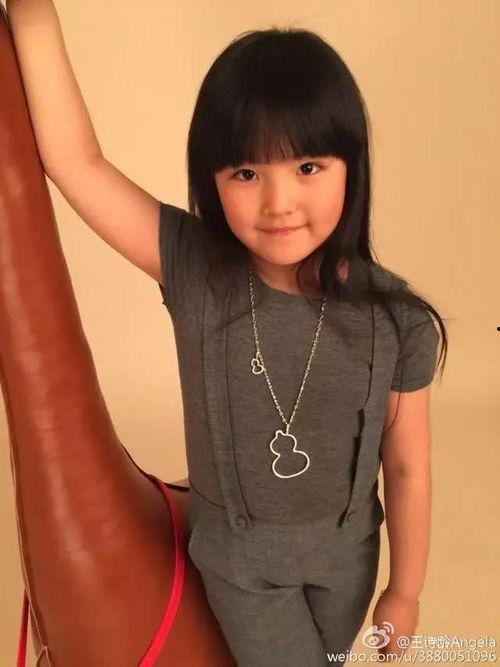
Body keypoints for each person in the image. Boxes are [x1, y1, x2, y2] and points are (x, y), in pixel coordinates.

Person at [9, 4, 448, 663]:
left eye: (307, 167)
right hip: (243, 570)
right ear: (211, 181)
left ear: (351, 167)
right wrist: (34, 16)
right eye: (246, 173)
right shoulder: (198, 271)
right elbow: (78, 163)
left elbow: (408, 464)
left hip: (349, 561)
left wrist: (404, 591)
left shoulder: (396, 317)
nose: (279, 202)